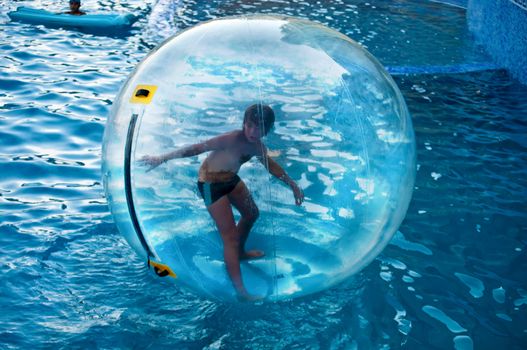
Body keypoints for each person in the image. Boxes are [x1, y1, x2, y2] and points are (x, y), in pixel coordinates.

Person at [140, 104, 304, 300]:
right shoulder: (231, 139)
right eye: (249, 125)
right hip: (210, 184)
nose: (252, 132)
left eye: (259, 128)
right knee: (230, 238)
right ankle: (241, 292)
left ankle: (240, 254)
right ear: (244, 123)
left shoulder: (258, 147)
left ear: (267, 129)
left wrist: (292, 184)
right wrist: (162, 158)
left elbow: (271, 166)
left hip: (229, 179)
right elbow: (197, 148)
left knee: (252, 214)